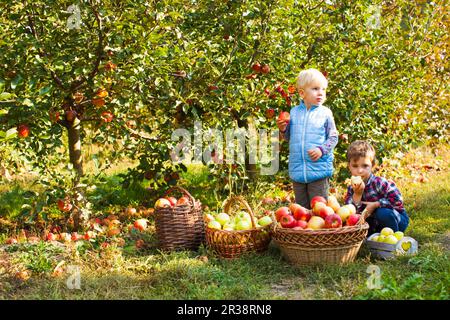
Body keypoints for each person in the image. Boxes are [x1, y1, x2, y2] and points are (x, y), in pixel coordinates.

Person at [277, 68, 338, 209]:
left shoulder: (325, 113)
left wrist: (321, 150)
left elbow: (333, 138)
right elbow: (288, 138)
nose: (321, 92)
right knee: (301, 211)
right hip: (298, 171)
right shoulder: (294, 113)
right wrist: (282, 129)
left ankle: (319, 232)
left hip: (318, 170)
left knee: (319, 210)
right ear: (302, 93)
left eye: (323, 89)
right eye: (315, 89)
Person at [344, 140, 409, 235]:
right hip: (375, 224)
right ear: (349, 167)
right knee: (357, 222)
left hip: (396, 219)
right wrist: (357, 194)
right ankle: (374, 238)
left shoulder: (379, 183)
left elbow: (398, 201)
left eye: (365, 166)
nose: (360, 170)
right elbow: (351, 213)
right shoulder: (351, 189)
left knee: (382, 213)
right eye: (355, 166)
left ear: (372, 166)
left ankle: (393, 239)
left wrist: (376, 204)